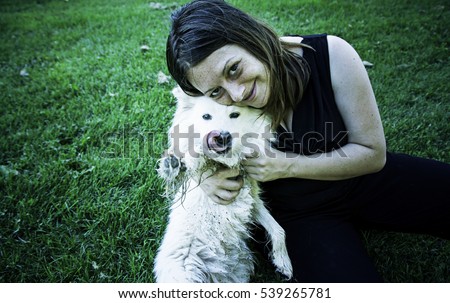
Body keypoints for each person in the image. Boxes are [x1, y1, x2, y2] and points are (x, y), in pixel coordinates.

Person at [165, 0, 450, 282]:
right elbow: (179, 144)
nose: (236, 94)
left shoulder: (332, 55)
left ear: (249, 37)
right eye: (216, 92)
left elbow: (373, 154)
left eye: (234, 69)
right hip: (302, 217)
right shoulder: (212, 94)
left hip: (363, 180)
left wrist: (288, 165)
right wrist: (201, 176)